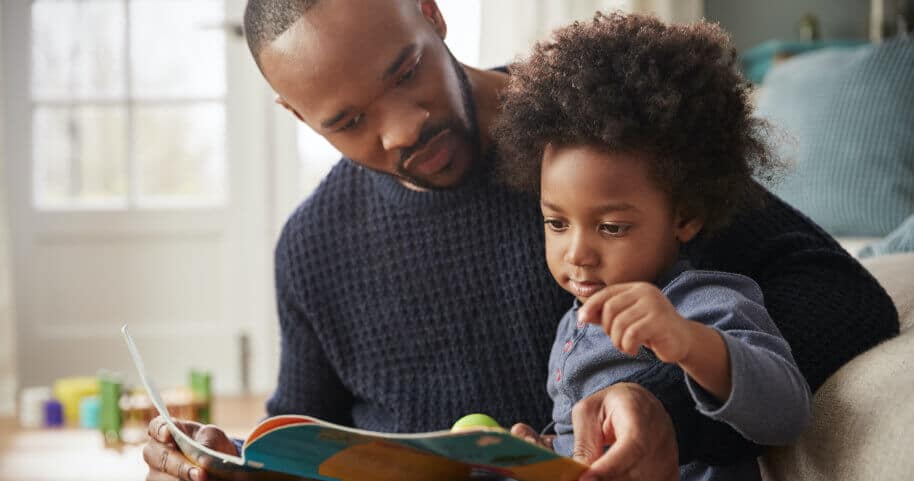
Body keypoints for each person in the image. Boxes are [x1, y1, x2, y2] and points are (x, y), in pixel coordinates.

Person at [141, 2, 899, 481]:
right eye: (347, 121)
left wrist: (666, 404)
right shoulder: (310, 249)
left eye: (406, 70)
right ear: (298, 116)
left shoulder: (601, 145)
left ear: (432, 14)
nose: (403, 125)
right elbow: (304, 426)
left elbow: (843, 299)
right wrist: (228, 462)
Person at [497, 13, 811, 481]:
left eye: (611, 227)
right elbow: (585, 444)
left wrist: (687, 342)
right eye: (556, 223)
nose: (577, 252)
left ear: (683, 216)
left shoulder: (700, 302)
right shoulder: (573, 324)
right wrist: (545, 449)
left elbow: (787, 413)